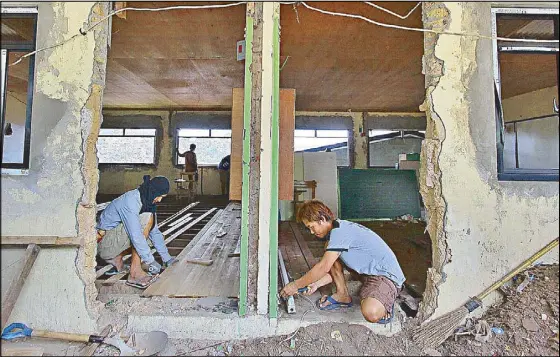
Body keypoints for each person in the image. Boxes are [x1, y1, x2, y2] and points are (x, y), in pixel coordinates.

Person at [280, 199, 405, 324]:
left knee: (371, 312)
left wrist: (295, 285)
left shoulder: (340, 232)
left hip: (386, 277)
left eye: (311, 227)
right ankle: (342, 295)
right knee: (330, 254)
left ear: (322, 219)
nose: (312, 232)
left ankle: (386, 302)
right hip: (366, 274)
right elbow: (334, 269)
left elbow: (323, 267)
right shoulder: (336, 234)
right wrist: (316, 284)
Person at [96, 175, 176, 289]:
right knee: (145, 221)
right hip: (104, 245)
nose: (159, 200)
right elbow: (136, 236)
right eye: (159, 196)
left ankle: (117, 259)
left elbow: (155, 231)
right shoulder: (131, 201)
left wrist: (167, 258)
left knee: (150, 230)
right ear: (153, 191)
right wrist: (150, 261)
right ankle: (135, 273)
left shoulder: (146, 201)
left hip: (113, 244)